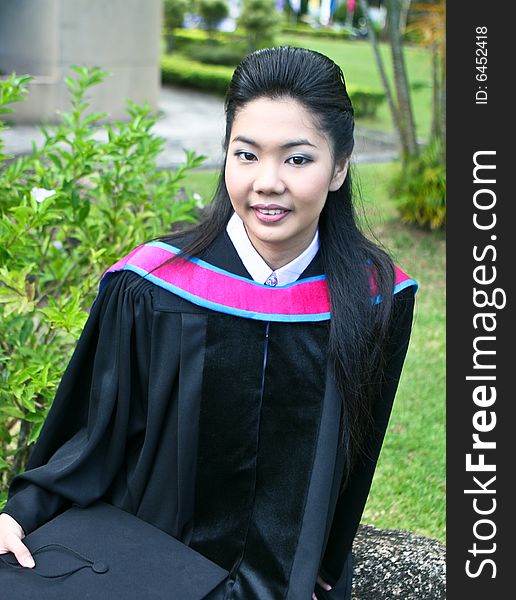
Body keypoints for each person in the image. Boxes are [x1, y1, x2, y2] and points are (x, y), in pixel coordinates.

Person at [0, 46, 417, 599]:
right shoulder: (151, 286)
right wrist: (20, 514)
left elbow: (355, 453)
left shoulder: (375, 298)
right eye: (246, 155)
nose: (267, 182)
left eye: (297, 159)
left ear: (339, 167)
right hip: (148, 569)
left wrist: (328, 562)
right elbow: (90, 431)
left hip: (286, 582)